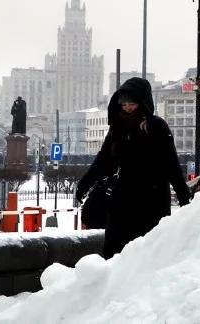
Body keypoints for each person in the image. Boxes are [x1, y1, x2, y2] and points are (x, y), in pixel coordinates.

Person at [76, 77, 190, 258]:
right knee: (115, 253)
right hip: (123, 198)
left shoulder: (157, 127)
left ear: (143, 102)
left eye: (132, 104)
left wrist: (185, 200)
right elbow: (104, 161)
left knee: (146, 256)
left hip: (152, 200)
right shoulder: (117, 129)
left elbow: (172, 165)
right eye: (124, 104)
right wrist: (84, 184)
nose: (128, 108)